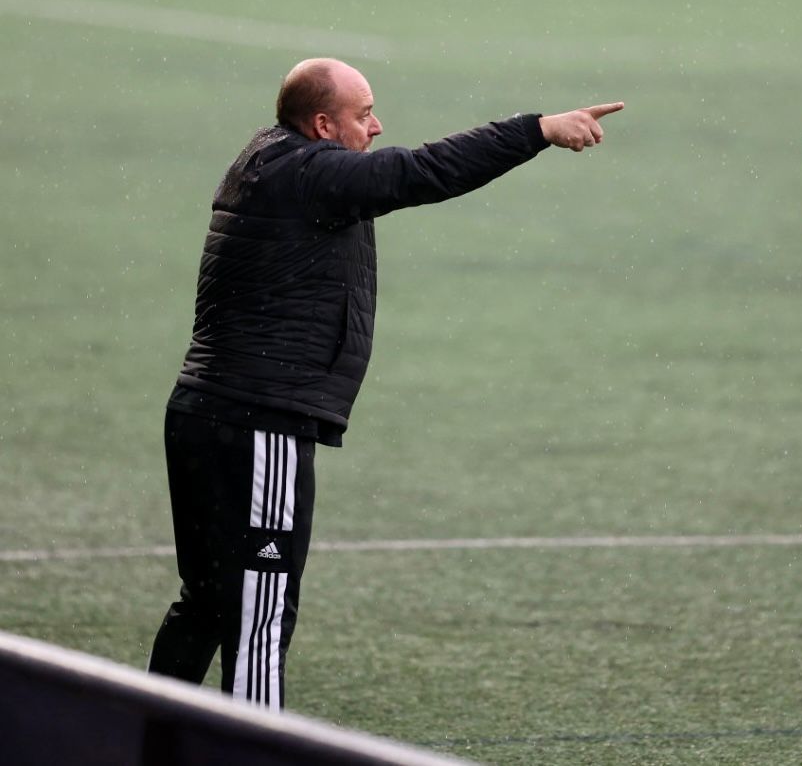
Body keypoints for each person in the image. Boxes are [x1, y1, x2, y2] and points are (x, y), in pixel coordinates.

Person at [147, 57, 623, 710]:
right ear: (323, 125)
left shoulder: (268, 157)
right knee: (260, 614)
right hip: (257, 425)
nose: (376, 126)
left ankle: (144, 737)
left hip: (205, 414)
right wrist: (537, 129)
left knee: (205, 602)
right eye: (363, 114)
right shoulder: (312, 175)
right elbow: (421, 172)